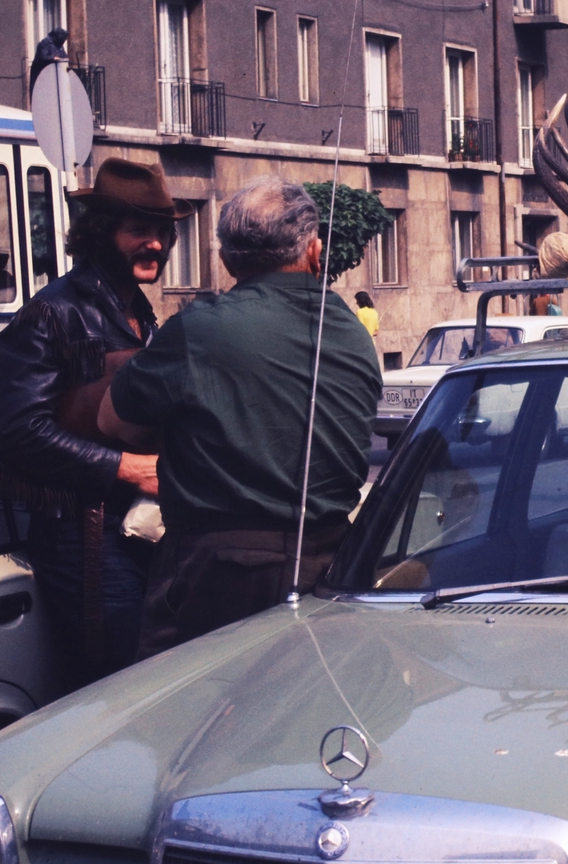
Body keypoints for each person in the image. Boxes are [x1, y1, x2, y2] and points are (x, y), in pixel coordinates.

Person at [101, 179, 381, 657]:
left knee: (194, 713)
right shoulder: (353, 330)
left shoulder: (199, 328)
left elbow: (112, 422)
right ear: (315, 252)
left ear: (228, 259)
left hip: (218, 576)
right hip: (332, 565)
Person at [0, 158, 184, 681]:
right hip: (83, 535)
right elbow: (16, 429)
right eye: (138, 230)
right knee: (118, 688)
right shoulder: (54, 311)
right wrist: (125, 467)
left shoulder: (137, 310)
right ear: (101, 234)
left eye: (163, 232)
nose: (157, 245)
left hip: (133, 528)